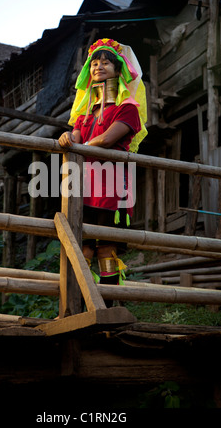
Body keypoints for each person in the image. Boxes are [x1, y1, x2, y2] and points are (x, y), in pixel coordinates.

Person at [58, 38, 147, 306]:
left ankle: (108, 310)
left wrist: (79, 144)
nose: (99, 66)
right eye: (95, 63)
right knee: (82, 247)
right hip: (84, 186)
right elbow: (73, 137)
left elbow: (107, 140)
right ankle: (77, 307)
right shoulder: (84, 115)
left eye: (106, 62)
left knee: (107, 248)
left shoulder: (128, 109)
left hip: (111, 185)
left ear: (119, 70)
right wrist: (66, 136)